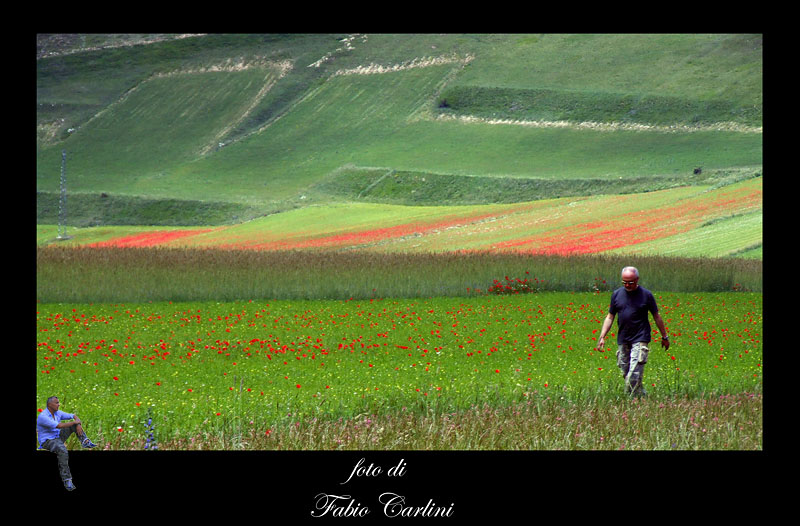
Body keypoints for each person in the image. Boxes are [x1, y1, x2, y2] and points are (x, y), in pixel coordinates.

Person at [595, 267, 669, 396]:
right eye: (624, 282)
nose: (627, 285)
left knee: (633, 375)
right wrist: (602, 336)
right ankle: (642, 397)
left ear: (637, 279)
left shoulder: (646, 295)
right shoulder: (617, 294)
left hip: (640, 337)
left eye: (630, 282)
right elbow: (610, 317)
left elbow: (656, 316)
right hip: (623, 338)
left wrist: (664, 336)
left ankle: (629, 401)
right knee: (626, 373)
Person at [37, 396, 97, 491]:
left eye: (58, 402)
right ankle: (67, 480)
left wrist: (77, 423)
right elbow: (59, 425)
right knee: (63, 451)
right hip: (48, 441)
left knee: (74, 425)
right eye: (56, 403)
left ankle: (85, 441)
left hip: (58, 436)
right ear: (49, 405)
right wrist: (76, 423)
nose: (59, 404)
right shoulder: (43, 416)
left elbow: (72, 415)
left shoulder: (57, 412)